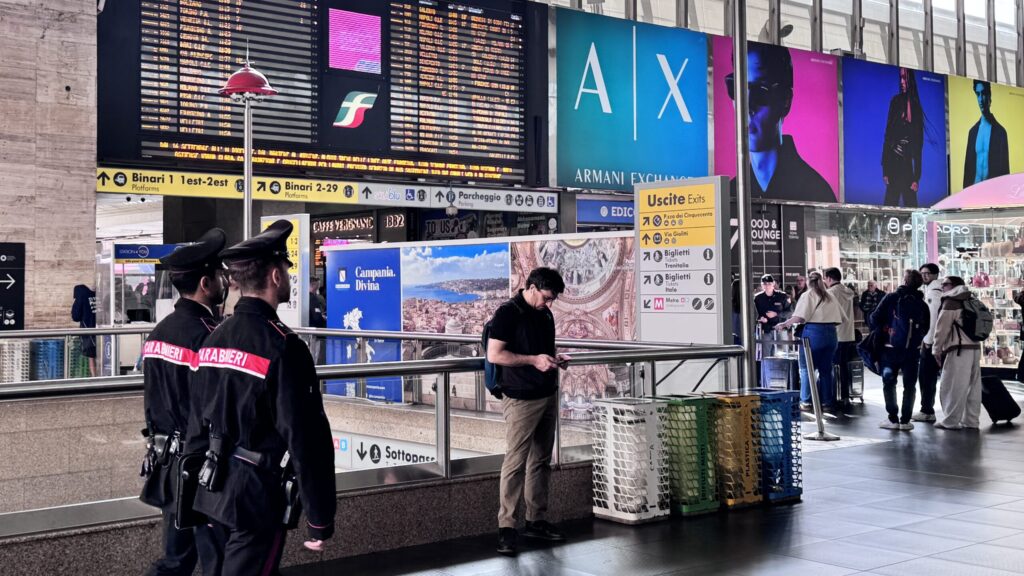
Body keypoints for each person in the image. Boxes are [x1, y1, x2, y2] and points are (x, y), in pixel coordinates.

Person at [188, 221, 336, 573]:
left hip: (210, 487)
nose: (287, 276)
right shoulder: (284, 347)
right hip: (255, 496)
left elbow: (196, 419)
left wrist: (195, 497)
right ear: (274, 277)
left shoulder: (213, 339)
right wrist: (319, 517)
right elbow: (305, 438)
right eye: (285, 269)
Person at [139, 228, 227, 576]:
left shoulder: (159, 332)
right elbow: (211, 407)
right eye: (219, 277)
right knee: (215, 561)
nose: (224, 283)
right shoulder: (209, 336)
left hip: (168, 465)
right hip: (201, 466)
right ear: (206, 284)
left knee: (175, 560)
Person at [486, 267, 571, 556]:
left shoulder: (544, 313)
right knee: (515, 462)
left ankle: (536, 520)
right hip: (521, 397)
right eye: (547, 297)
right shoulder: (508, 313)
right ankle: (506, 528)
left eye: (553, 299)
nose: (549, 303)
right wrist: (533, 361)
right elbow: (495, 354)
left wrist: (554, 360)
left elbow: (540, 351)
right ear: (532, 287)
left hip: (546, 393)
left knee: (541, 461)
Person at [726, 43, 834, 203]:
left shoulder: (816, 192)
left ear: (785, 100)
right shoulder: (730, 195)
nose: (747, 107)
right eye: (736, 90)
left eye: (760, 92)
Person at [775, 270, 846, 413]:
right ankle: (826, 402)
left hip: (813, 334)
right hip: (831, 335)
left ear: (809, 282)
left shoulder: (807, 295)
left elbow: (800, 317)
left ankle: (806, 402)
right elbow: (843, 318)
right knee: (826, 370)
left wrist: (784, 324)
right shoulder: (830, 296)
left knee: (806, 369)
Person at [869, 270, 929, 431]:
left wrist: (885, 330)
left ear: (904, 280)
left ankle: (893, 419)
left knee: (889, 382)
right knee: (910, 385)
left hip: (890, 349)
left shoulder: (891, 298)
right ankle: (906, 421)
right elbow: (927, 326)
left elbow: (874, 318)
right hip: (912, 350)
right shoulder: (921, 303)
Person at [932, 276, 983, 430]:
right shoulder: (972, 299)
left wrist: (936, 349)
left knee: (954, 385)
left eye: (945, 284)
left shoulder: (951, 302)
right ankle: (971, 421)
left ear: (953, 285)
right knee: (973, 387)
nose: (942, 287)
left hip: (958, 349)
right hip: (975, 348)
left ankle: (950, 421)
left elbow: (941, 329)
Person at [882, 68, 925, 207]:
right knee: (889, 208)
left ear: (910, 80)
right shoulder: (895, 102)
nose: (901, 82)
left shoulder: (916, 107)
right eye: (900, 78)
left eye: (904, 78)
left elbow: (919, 144)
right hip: (893, 163)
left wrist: (916, 177)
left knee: (912, 209)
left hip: (908, 167)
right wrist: (885, 169)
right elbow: (888, 135)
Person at [963, 80, 1010, 188]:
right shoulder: (972, 132)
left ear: (989, 96)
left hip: (992, 194)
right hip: (974, 192)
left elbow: (1005, 172)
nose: (980, 99)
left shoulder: (1001, 133)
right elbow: (968, 171)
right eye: (978, 94)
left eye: (983, 94)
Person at [914, 263, 944, 423]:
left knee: (926, 376)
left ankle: (927, 409)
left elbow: (933, 319)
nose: (923, 276)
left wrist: (928, 340)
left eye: (927, 273)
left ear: (934, 275)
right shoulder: (932, 290)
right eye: (922, 273)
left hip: (931, 342)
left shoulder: (934, 292)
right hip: (934, 340)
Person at [823, 268, 856, 409]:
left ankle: (832, 397)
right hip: (848, 334)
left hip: (835, 334)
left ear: (829, 279)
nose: (824, 281)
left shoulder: (830, 293)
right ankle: (845, 396)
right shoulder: (847, 291)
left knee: (831, 367)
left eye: (825, 279)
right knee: (843, 366)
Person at [71, 284, 98, 377]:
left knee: (91, 357)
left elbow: (75, 316)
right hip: (103, 329)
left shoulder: (81, 296)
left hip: (88, 331)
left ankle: (95, 377)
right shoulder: (97, 294)